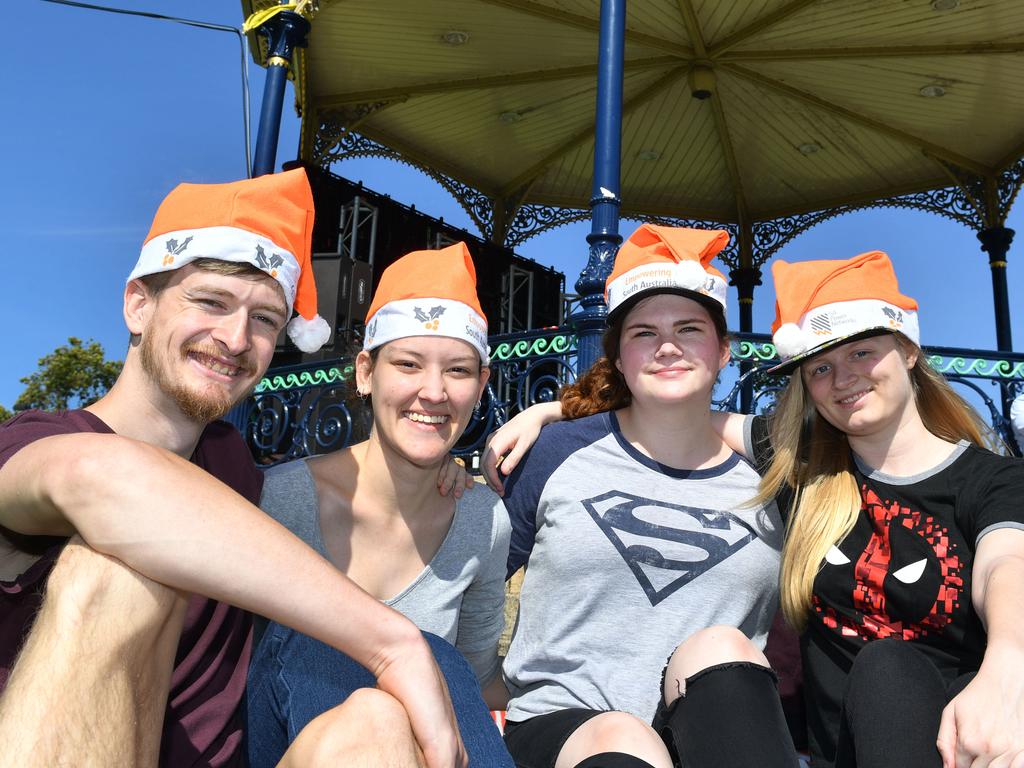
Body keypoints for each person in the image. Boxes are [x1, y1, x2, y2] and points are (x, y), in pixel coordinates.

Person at [0, 169, 469, 768]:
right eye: (211, 302)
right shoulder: (35, 443)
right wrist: (393, 643)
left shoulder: (232, 462)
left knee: (375, 723)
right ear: (138, 304)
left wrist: (448, 459)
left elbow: (362, 465)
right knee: (116, 572)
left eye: (266, 319)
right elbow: (103, 478)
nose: (235, 337)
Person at [487, 251, 1024, 768]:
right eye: (819, 367)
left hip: (959, 732)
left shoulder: (990, 480)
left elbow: (1007, 564)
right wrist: (556, 412)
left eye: (863, 352)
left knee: (889, 666)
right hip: (821, 744)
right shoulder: (801, 468)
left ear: (908, 349)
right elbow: (678, 417)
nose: (843, 379)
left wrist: (1009, 665)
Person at [495, 224, 797, 768]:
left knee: (723, 648)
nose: (666, 346)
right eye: (642, 333)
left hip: (713, 731)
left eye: (689, 328)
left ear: (724, 350)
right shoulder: (554, 452)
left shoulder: (773, 474)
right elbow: (473, 577)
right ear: (618, 356)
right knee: (622, 738)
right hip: (571, 734)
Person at [246, 243, 514, 767]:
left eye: (458, 371)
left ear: (482, 386)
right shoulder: (278, 499)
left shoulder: (482, 519)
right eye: (408, 364)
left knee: (440, 662)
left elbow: (479, 680)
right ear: (366, 373)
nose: (432, 392)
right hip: (286, 743)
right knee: (381, 648)